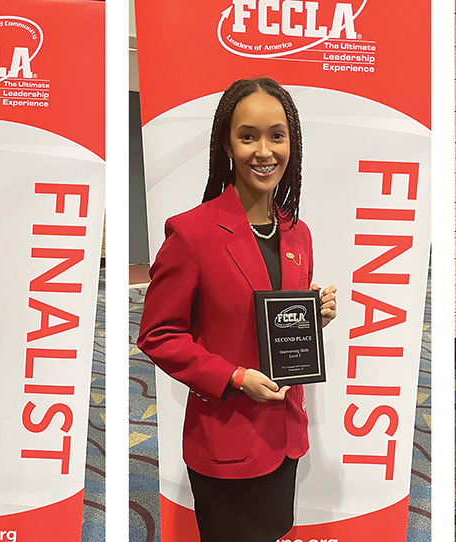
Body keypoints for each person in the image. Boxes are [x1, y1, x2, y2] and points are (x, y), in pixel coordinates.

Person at [137, 77, 337, 542]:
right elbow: (158, 335)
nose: (264, 150)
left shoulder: (297, 232)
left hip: (284, 429)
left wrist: (314, 316)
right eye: (248, 136)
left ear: (293, 144)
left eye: (277, 135)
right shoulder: (192, 233)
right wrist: (233, 377)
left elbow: (274, 319)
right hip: (226, 435)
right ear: (227, 144)